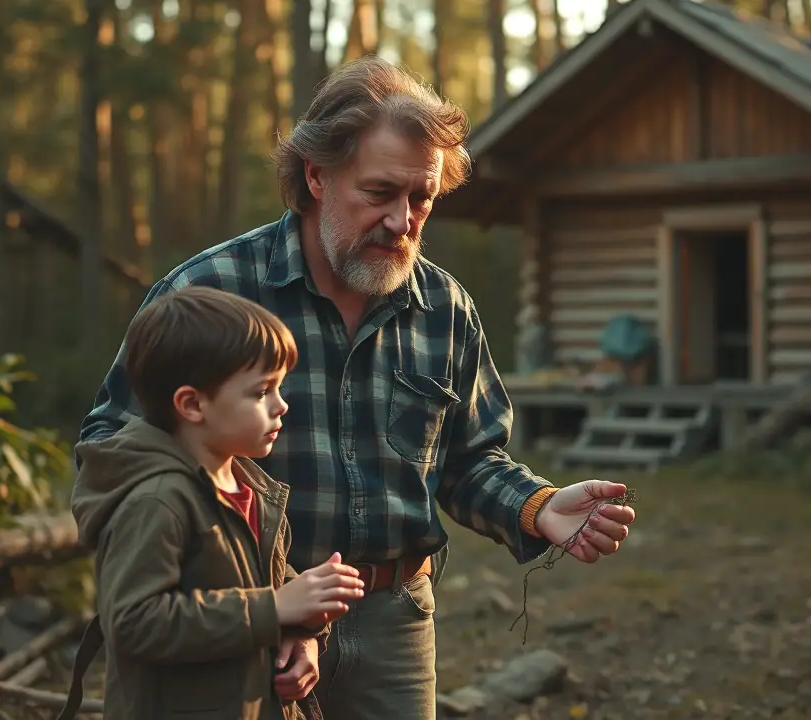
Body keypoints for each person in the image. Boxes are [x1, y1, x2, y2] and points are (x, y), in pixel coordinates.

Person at [79, 56, 638, 719]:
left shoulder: (445, 308)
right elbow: (112, 452)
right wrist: (256, 601)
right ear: (316, 175)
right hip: (243, 620)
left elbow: (468, 460)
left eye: (422, 198)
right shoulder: (211, 293)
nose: (403, 220)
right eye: (380, 193)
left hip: (393, 623)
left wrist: (538, 507)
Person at [60, 286, 366, 720]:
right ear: (192, 404)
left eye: (279, 387)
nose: (282, 406)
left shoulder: (245, 481)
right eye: (261, 392)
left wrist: (302, 624)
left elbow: (252, 578)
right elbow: (135, 623)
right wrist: (275, 607)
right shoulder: (156, 500)